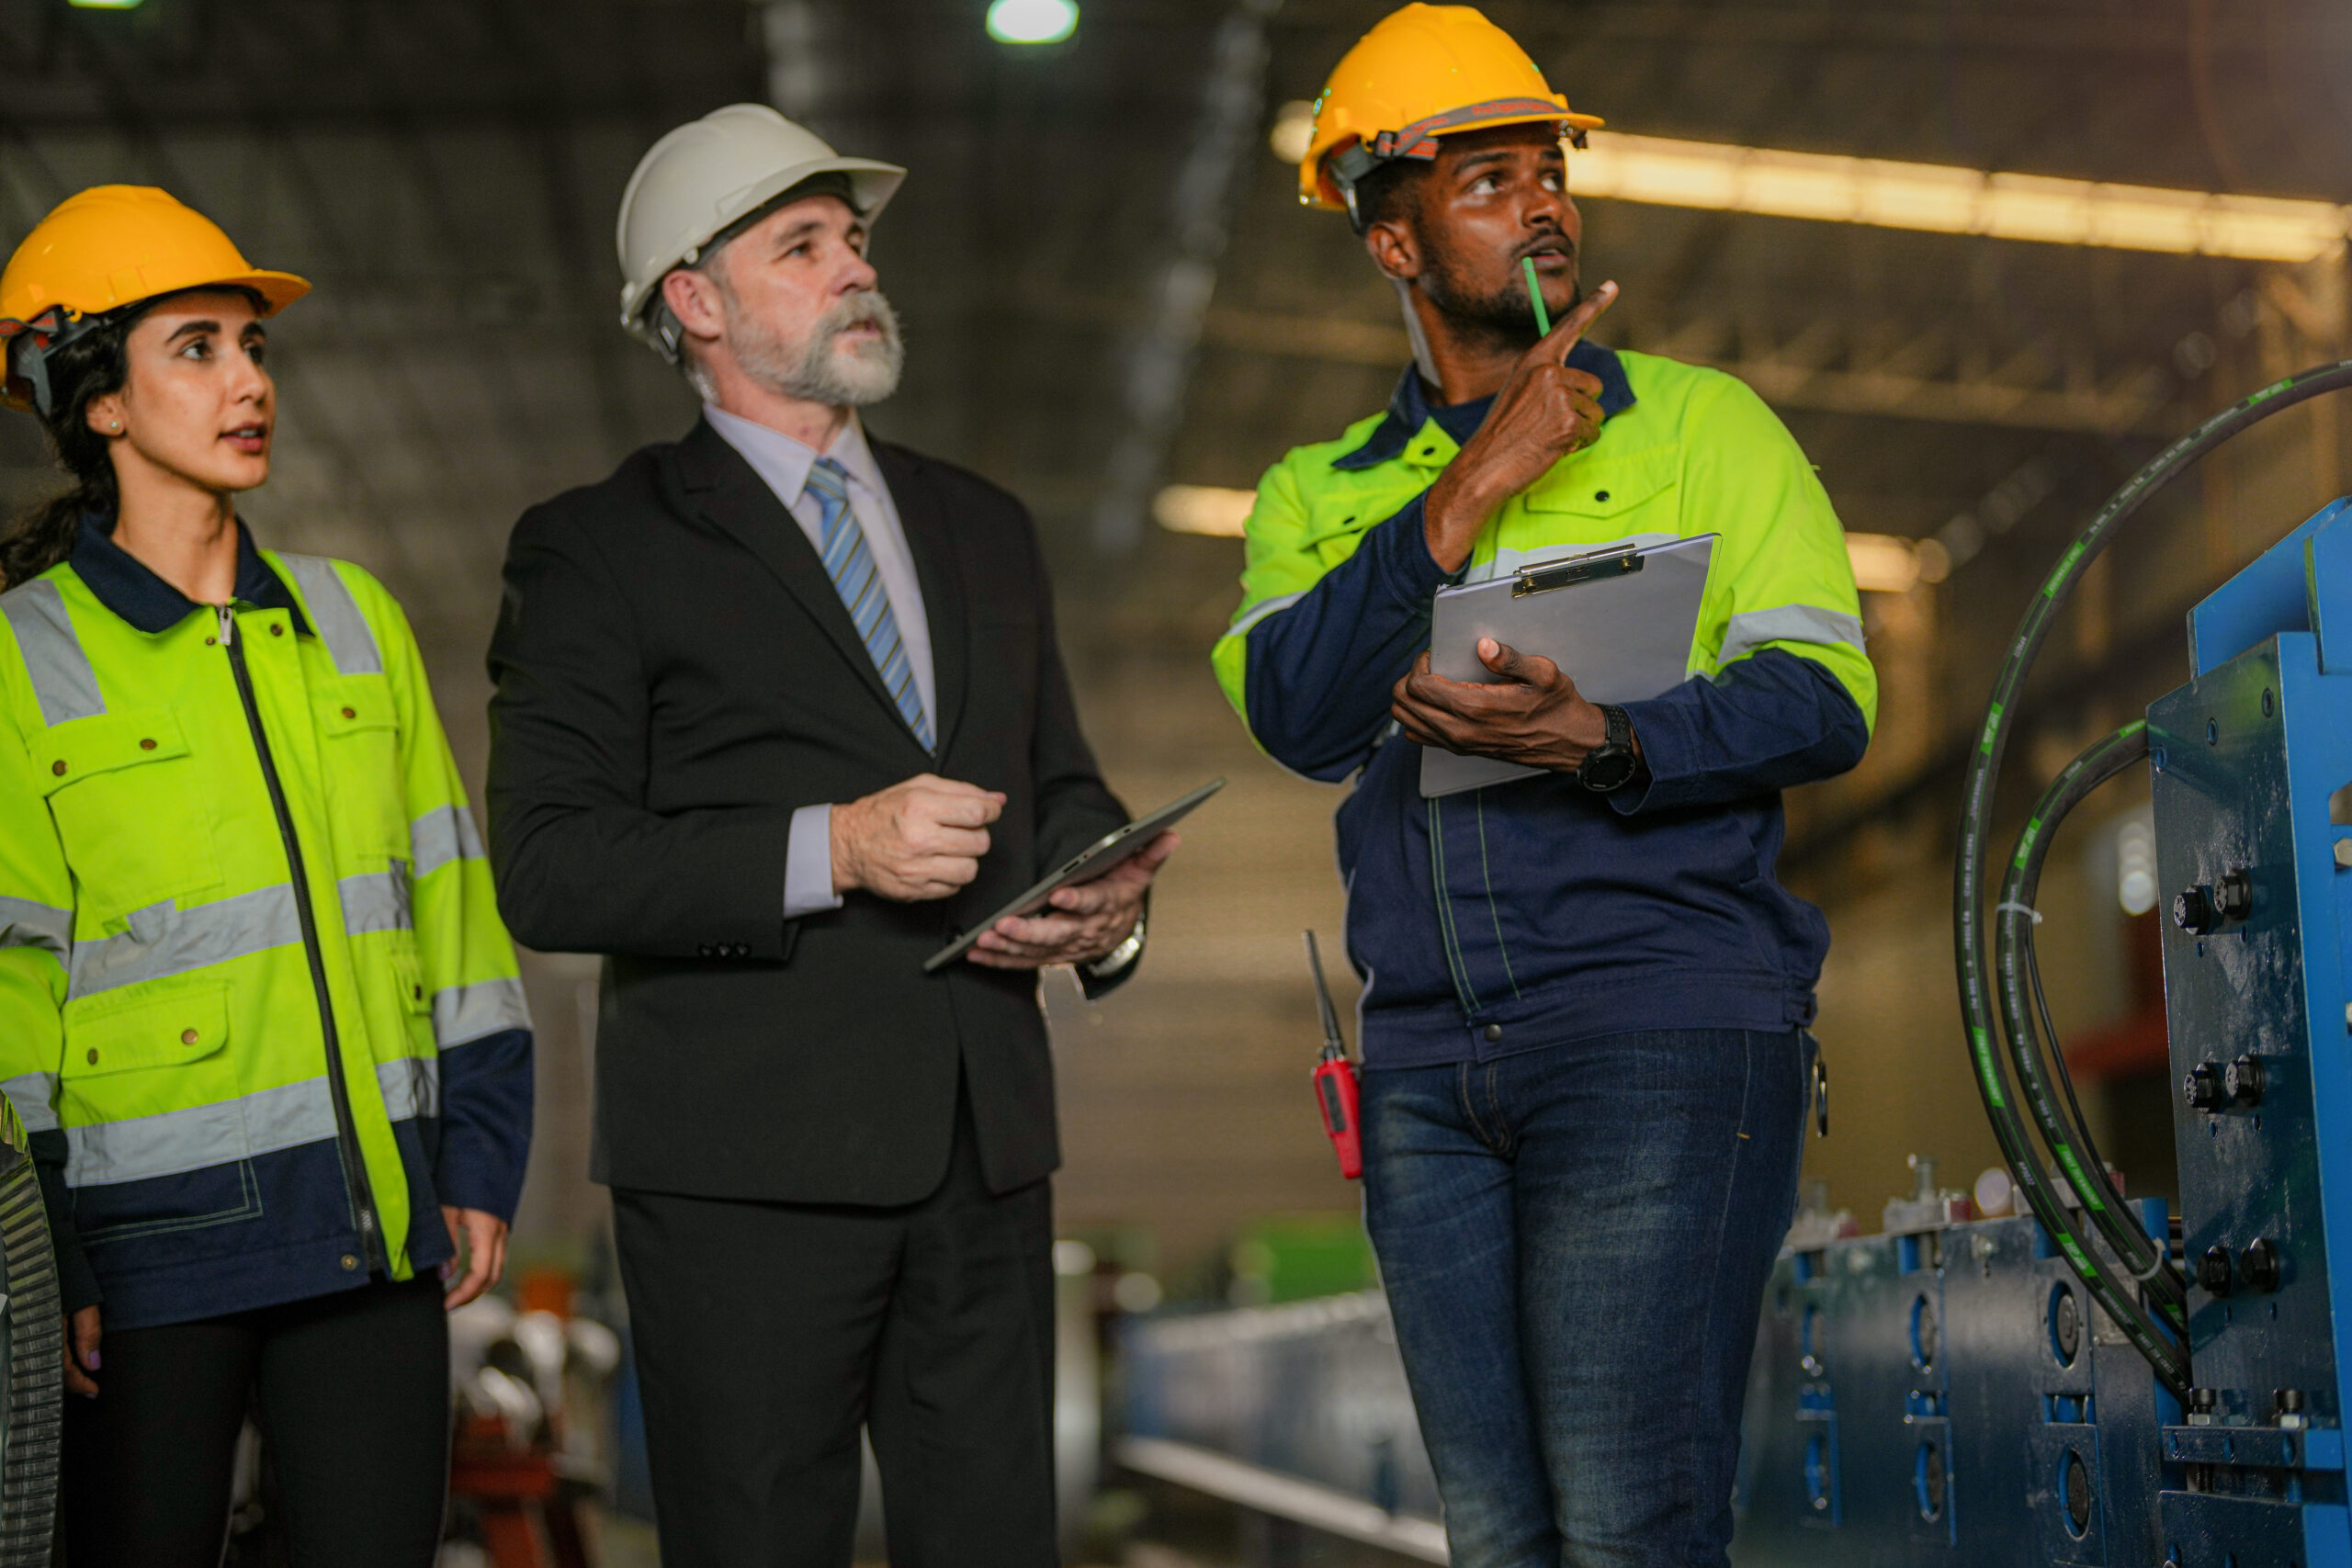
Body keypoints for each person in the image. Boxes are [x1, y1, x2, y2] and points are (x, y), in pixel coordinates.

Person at [1211, 7, 1877, 1564]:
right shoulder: (1318, 495)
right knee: (1501, 1537)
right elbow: (1301, 713)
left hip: (1658, 1025)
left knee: (1629, 1524)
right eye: (1493, 178)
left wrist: (1611, 741)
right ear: (1391, 238)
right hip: (1429, 1066)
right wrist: (1472, 486)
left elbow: (1825, 694)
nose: (1547, 204)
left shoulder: (1712, 428)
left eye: (1552, 171)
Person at [485, 104, 1170, 1568]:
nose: (856, 268)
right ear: (696, 301)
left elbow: (1065, 784)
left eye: (855, 240)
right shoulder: (599, 548)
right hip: (744, 1172)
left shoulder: (983, 525)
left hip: (987, 1154)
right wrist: (835, 849)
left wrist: (1104, 898)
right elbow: (551, 862)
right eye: (802, 245)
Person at [0, 186, 534, 1566]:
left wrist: (476, 1151)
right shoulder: (20, 659)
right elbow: (11, 981)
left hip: (371, 1241)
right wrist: (45, 1242)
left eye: (256, 346)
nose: (250, 382)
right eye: (198, 346)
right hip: (146, 1264)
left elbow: (452, 910)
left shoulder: (354, 623)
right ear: (97, 400)